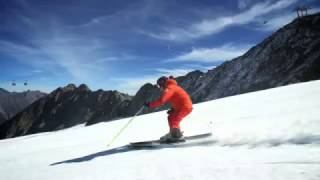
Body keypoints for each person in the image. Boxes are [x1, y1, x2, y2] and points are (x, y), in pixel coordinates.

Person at [145, 76, 193, 143]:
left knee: (175, 120)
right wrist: (174, 109)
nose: (160, 88)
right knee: (171, 117)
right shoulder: (172, 87)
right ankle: (173, 133)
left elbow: (162, 101)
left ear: (163, 83)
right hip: (182, 107)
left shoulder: (170, 88)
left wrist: (149, 104)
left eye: (159, 85)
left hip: (185, 107)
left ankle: (178, 137)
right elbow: (179, 98)